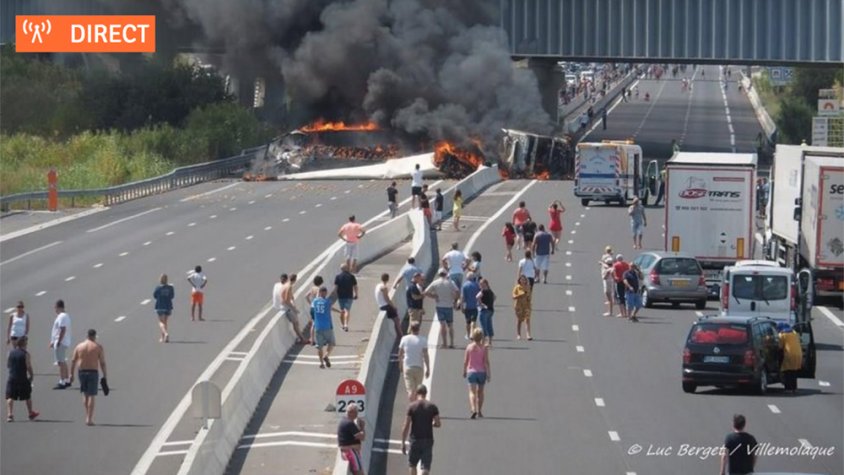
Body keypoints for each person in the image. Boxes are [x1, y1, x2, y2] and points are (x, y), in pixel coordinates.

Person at [69, 329, 107, 426]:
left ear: (87, 336)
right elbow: (102, 363)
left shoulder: (79, 346)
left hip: (82, 372)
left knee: (85, 394)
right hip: (93, 372)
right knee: (91, 395)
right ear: (94, 336)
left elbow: (73, 360)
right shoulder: (97, 347)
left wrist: (71, 374)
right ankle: (89, 418)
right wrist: (105, 375)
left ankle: (87, 415)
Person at [401, 384, 441, 475]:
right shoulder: (432, 406)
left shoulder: (411, 406)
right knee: (426, 467)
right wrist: (432, 424)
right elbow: (438, 423)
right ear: (426, 393)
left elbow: (406, 425)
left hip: (415, 439)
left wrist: (403, 442)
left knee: (412, 464)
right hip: (427, 439)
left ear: (416, 393)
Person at [5, 336, 38, 422]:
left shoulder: (10, 353)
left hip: (12, 377)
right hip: (22, 378)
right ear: (24, 344)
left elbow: (8, 365)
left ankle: (10, 415)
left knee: (10, 396)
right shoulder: (26, 354)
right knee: (27, 396)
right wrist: (31, 375)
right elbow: (28, 366)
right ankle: (30, 413)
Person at [424, 269, 459, 349]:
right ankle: (452, 343)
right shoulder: (450, 282)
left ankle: (444, 343)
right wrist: (455, 300)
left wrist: (434, 296)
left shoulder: (435, 282)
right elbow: (457, 291)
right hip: (449, 306)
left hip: (440, 306)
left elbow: (425, 292)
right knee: (450, 325)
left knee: (442, 325)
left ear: (439, 274)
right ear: (446, 274)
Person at [398, 322, 430, 402]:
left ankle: (412, 407)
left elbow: (400, 353)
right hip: (419, 367)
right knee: (418, 390)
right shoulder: (423, 340)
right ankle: (417, 405)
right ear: (419, 329)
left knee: (410, 390)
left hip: (408, 366)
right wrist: (428, 368)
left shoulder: (404, 339)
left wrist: (400, 365)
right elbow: (426, 355)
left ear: (410, 328)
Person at [462, 328, 490, 419]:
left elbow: (465, 361)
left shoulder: (469, 347)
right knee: (480, 392)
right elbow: (486, 361)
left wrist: (464, 371)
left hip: (472, 372)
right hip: (481, 372)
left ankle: (473, 408)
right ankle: (480, 411)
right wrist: (489, 373)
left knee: (472, 392)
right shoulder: (484, 348)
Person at [311, 287, 337, 369]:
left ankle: (321, 363)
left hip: (318, 326)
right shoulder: (327, 302)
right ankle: (326, 355)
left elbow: (312, 309)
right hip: (327, 326)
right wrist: (340, 311)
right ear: (325, 293)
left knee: (319, 346)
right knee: (332, 343)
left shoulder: (314, 302)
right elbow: (331, 308)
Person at [278, 273, 308, 344]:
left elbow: (289, 296)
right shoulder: (289, 286)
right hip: (288, 308)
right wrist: (294, 309)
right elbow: (286, 300)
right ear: (295, 280)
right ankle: (302, 339)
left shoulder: (285, 285)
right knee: (296, 324)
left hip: (285, 306)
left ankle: (300, 337)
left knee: (296, 324)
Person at [337, 403, 366, 475]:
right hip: (351, 452)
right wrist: (362, 427)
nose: (357, 414)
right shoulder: (349, 423)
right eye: (356, 412)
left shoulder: (344, 421)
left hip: (348, 450)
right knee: (359, 473)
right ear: (351, 412)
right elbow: (362, 437)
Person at [49, 300, 72, 389]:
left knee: (60, 362)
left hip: (61, 342)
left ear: (58, 307)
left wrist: (58, 341)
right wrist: (53, 341)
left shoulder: (62, 316)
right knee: (63, 361)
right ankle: (66, 379)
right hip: (62, 341)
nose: (55, 309)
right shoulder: (65, 316)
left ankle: (62, 381)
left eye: (55, 307)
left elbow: (62, 329)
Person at [778, 322, 803, 393]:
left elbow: (780, 346)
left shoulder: (782, 335)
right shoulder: (794, 333)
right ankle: (794, 388)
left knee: (787, 372)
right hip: (798, 354)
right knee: (794, 371)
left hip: (789, 354)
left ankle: (788, 388)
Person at [333, 263, 359, 332]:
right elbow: (355, 286)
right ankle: (346, 324)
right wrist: (356, 294)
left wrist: (335, 295)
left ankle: (342, 325)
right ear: (347, 268)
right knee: (347, 310)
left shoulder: (338, 277)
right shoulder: (351, 276)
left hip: (340, 296)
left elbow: (335, 287)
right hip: (349, 296)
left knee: (342, 310)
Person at [376, 273, 402, 339]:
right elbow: (387, 299)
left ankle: (399, 334)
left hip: (381, 305)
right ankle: (400, 335)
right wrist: (393, 306)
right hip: (385, 305)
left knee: (395, 319)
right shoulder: (384, 287)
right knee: (397, 320)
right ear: (388, 279)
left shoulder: (378, 286)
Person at [459, 273, 481, 341]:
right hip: (475, 305)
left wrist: (461, 306)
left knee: (467, 321)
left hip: (467, 306)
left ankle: (468, 334)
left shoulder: (465, 285)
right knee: (473, 320)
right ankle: (473, 333)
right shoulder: (476, 285)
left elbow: (462, 297)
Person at [153, 274, 175, 343]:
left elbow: (155, 296)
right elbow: (172, 296)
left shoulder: (158, 288)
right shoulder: (170, 288)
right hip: (168, 306)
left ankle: (165, 334)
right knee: (165, 322)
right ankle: (163, 337)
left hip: (160, 306)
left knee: (160, 322)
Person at [306, 276, 325, 347]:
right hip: (317, 308)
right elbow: (318, 297)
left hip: (312, 307)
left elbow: (306, 296)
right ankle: (319, 340)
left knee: (313, 324)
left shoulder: (312, 288)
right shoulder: (319, 289)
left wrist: (311, 303)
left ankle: (312, 339)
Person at [512, 275, 533, 340]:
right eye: (522, 279)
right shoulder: (517, 287)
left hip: (527, 305)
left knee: (527, 319)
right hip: (519, 306)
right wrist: (520, 295)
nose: (523, 281)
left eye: (524, 279)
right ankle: (518, 334)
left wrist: (528, 298)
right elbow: (513, 296)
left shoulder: (528, 287)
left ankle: (528, 335)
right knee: (520, 320)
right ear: (519, 280)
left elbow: (529, 296)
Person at [476, 278, 496, 346]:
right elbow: (494, 297)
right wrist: (490, 303)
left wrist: (481, 304)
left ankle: (483, 341)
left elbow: (477, 297)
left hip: (484, 310)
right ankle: (490, 341)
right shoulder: (490, 291)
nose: (480, 285)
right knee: (489, 325)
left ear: (485, 284)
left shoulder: (483, 291)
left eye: (481, 284)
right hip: (490, 310)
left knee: (484, 326)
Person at [599, 247, 615, 317]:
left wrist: (603, 264)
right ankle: (610, 309)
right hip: (610, 281)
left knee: (609, 296)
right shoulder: (611, 267)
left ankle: (610, 312)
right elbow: (605, 264)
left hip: (607, 281)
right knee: (609, 295)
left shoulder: (609, 269)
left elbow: (605, 276)